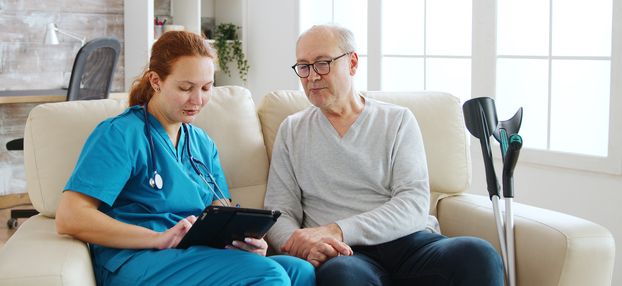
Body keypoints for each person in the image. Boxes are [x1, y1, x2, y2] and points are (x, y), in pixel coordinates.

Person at [56, 31, 315, 286]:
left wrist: (247, 243)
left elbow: (221, 213)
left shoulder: (202, 143)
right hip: (138, 257)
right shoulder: (121, 134)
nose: (198, 100)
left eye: (206, 87)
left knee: (300, 271)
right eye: (186, 88)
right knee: (269, 275)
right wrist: (156, 238)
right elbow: (70, 217)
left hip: (194, 253)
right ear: (156, 81)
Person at [264, 24, 504, 286]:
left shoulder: (397, 120)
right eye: (303, 66)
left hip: (410, 243)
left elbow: (413, 203)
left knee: (478, 254)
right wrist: (304, 245)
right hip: (346, 255)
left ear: (352, 63)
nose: (311, 76)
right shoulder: (292, 130)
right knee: (342, 277)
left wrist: (337, 230)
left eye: (322, 63)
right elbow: (279, 212)